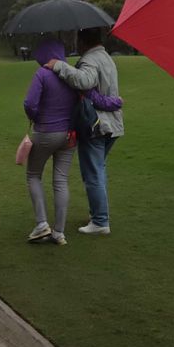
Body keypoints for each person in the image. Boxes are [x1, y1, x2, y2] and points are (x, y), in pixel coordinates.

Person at [49, 28, 123, 235]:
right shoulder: (106, 57)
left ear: (83, 42)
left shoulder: (89, 59)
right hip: (111, 125)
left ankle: (100, 221)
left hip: (96, 124)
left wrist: (59, 66)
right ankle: (98, 214)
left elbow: (84, 81)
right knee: (98, 169)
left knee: (92, 172)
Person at [22, 38, 78, 245]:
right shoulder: (71, 74)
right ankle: (59, 232)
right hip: (69, 135)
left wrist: (35, 117)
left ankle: (41, 223)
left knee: (33, 175)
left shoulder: (42, 74)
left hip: (45, 131)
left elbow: (29, 102)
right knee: (61, 181)